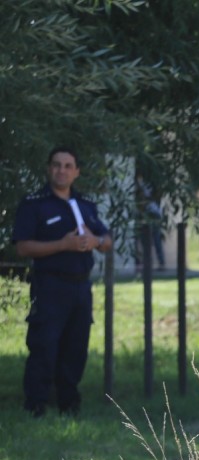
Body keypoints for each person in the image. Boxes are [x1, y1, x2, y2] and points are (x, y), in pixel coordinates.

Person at [12, 146, 113, 417]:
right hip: (49, 286)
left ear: (76, 172)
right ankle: (36, 406)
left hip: (81, 286)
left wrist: (96, 241)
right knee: (44, 345)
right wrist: (62, 244)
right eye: (57, 165)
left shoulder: (85, 205)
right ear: (48, 169)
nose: (62, 170)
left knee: (76, 347)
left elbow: (106, 241)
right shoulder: (35, 204)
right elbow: (22, 248)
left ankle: (69, 405)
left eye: (68, 166)